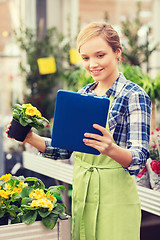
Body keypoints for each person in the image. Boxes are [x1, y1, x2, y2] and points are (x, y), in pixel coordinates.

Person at [6, 22, 152, 240]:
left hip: (116, 198)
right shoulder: (82, 94)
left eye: (100, 55)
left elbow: (139, 159)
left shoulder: (134, 95)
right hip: (83, 193)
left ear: (117, 53)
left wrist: (110, 148)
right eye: (85, 58)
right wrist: (30, 138)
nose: (92, 64)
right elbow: (64, 149)